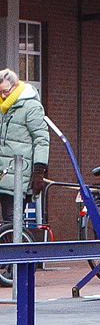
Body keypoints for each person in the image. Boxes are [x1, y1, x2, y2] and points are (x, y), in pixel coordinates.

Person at [0, 67, 49, 239]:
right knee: (8, 222)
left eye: (5, 91)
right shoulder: (3, 108)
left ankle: (18, 261)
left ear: (15, 87)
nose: (3, 96)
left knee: (12, 220)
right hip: (4, 173)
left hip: (19, 174)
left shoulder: (31, 107)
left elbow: (42, 139)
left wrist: (39, 171)